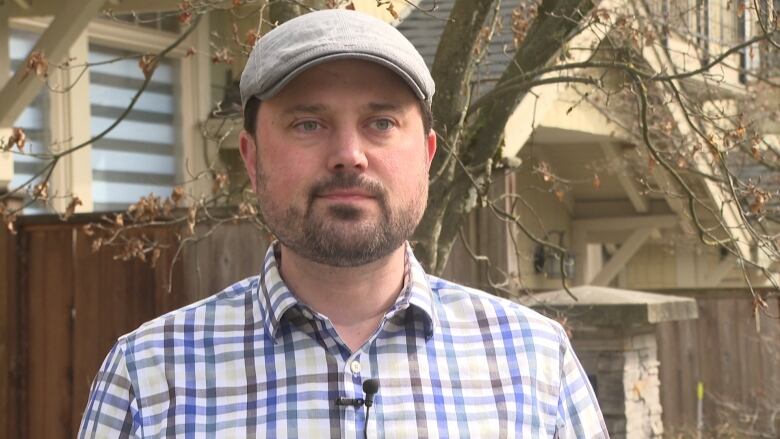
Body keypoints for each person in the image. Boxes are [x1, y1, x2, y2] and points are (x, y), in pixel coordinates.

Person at [79, 9, 608, 438]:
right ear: (252, 156)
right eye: (308, 123)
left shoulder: (537, 364)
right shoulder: (149, 376)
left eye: (381, 123)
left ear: (427, 154)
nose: (349, 155)